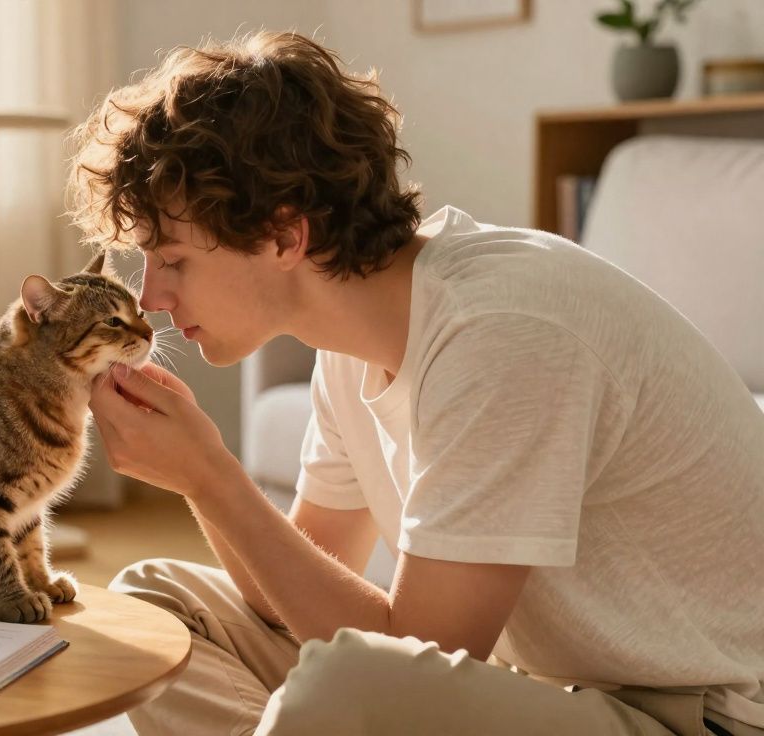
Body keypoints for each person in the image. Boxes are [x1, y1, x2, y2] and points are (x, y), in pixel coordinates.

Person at [70, 30, 764, 736]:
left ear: (284, 236)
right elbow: (285, 601)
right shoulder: (350, 344)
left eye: (173, 260)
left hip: (703, 716)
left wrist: (212, 476)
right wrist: (198, 478)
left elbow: (413, 659)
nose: (150, 298)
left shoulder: (501, 332)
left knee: (345, 684)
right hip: (558, 693)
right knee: (156, 607)